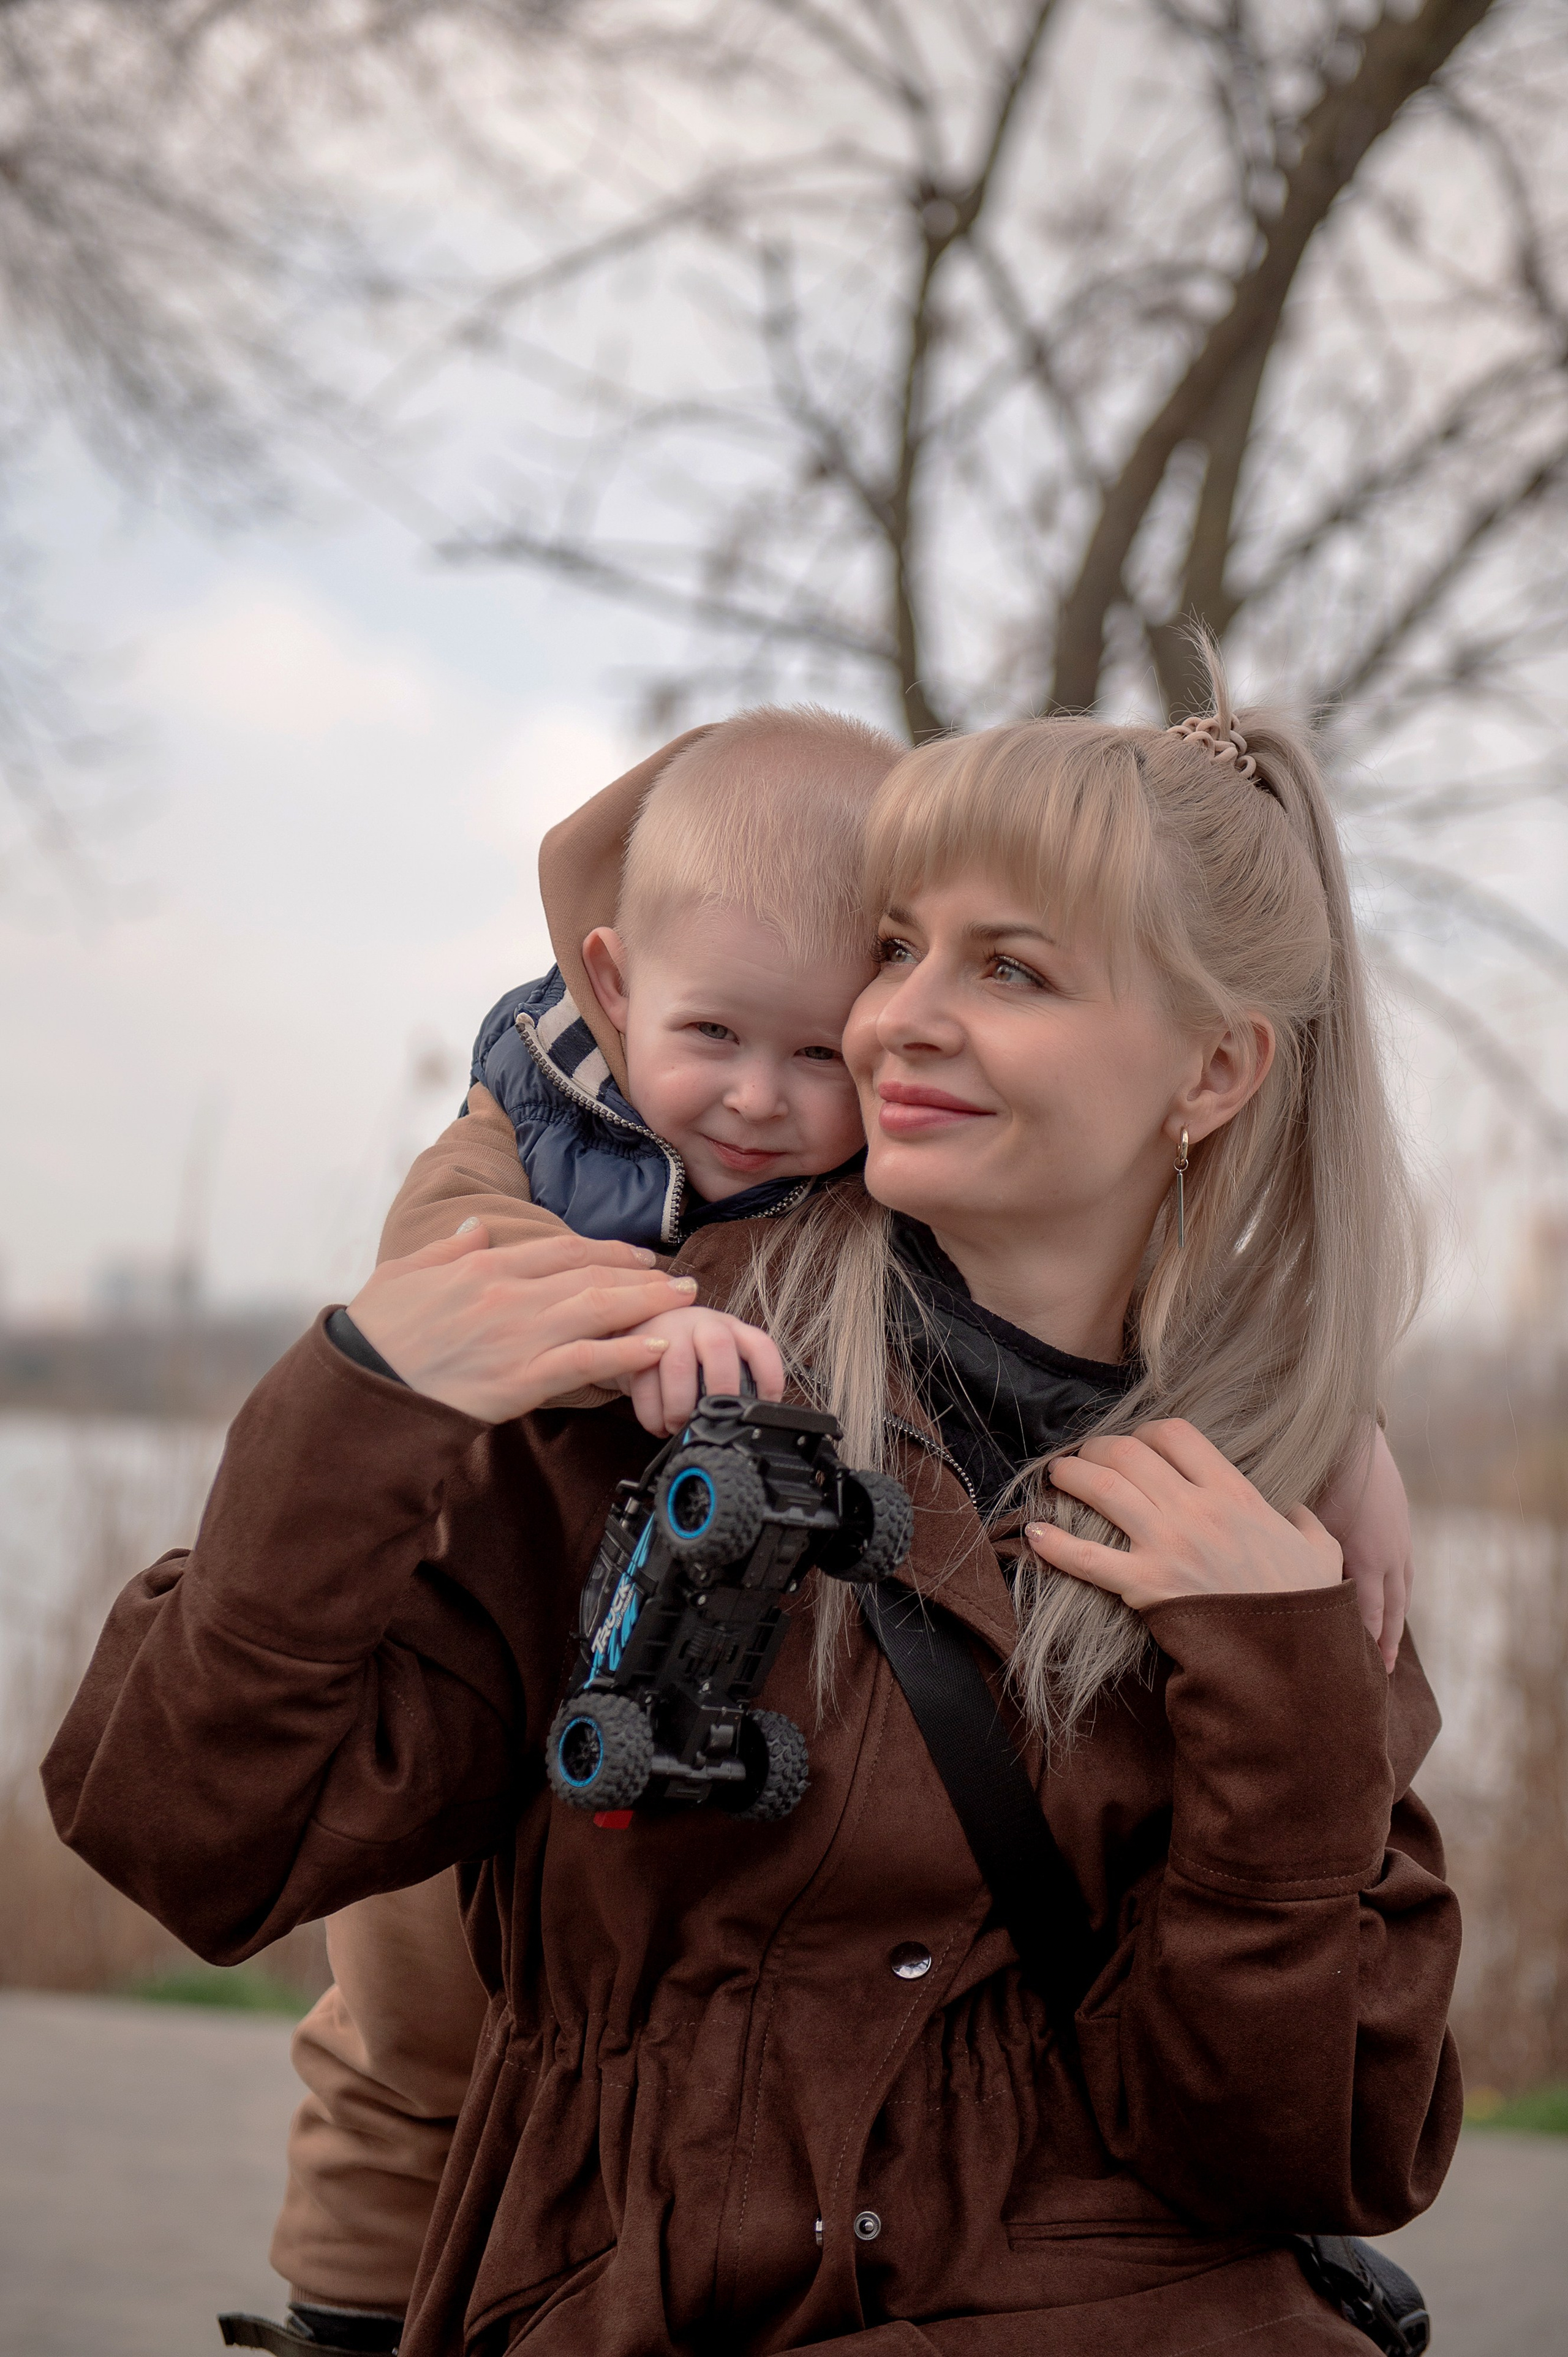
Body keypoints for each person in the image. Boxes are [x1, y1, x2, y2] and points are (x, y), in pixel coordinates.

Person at [46, 673, 1458, 2357]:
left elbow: (1311, 2153)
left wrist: (1290, 1690)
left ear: (1214, 1070)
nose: (899, 1019)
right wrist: (366, 1385)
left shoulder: (1277, 1519)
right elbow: (187, 1837)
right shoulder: (643, 1361)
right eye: (897, 947)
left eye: (1007, 967)